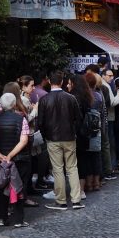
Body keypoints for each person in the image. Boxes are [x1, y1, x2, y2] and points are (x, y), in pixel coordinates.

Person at [37, 69, 83, 210]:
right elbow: (79, 119)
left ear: (50, 82)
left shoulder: (44, 99)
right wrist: (74, 131)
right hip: (69, 136)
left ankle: (61, 200)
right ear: (62, 82)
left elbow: (41, 122)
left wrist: (46, 136)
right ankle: (76, 200)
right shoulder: (70, 98)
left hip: (53, 138)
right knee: (72, 168)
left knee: (57, 169)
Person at [0, 91, 31, 228]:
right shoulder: (21, 119)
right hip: (19, 158)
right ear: (14, 104)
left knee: (1, 186)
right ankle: (18, 219)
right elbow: (24, 140)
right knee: (19, 186)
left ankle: (1, 217)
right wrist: (11, 155)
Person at [74, 73, 104, 193]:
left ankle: (87, 183)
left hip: (85, 129)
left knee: (85, 157)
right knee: (96, 156)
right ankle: (96, 183)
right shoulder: (98, 96)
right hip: (97, 129)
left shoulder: (84, 96)